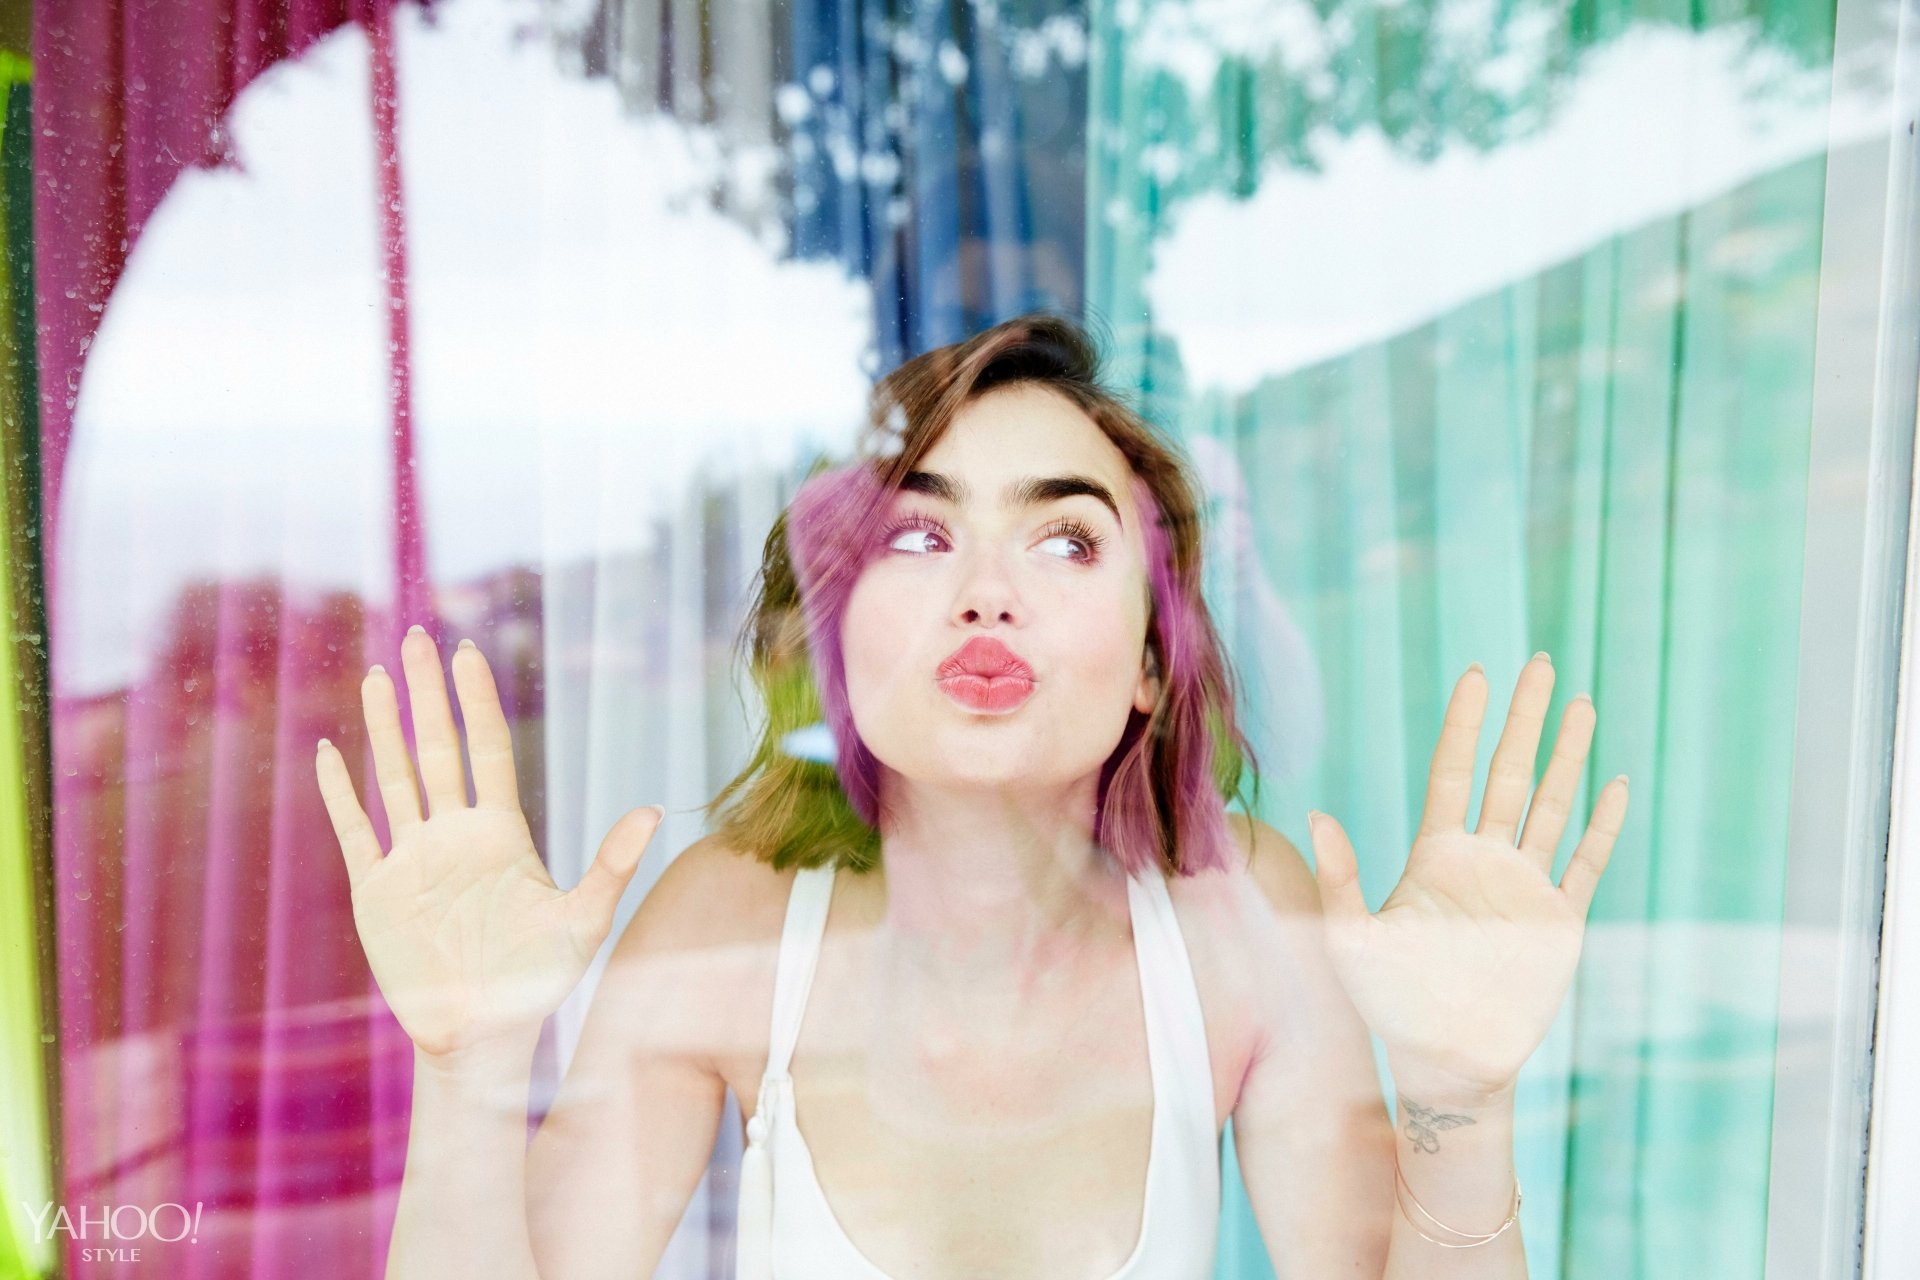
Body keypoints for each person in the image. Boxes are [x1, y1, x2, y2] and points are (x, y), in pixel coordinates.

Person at [314, 313, 1628, 1280]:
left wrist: (1462, 1097)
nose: (987, 589)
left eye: (1065, 538)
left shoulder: (1241, 919)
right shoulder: (732, 923)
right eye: (920, 535)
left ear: (1155, 671)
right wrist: (470, 1067)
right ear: (832, 648)